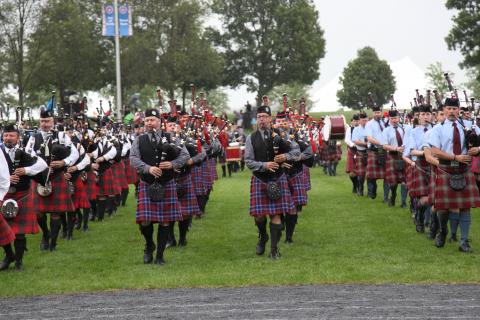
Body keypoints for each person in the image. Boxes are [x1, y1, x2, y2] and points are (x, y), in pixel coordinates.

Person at [130, 108, 190, 265]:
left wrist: (172, 164)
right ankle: (149, 245)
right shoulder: (139, 140)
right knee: (144, 221)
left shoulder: (170, 138)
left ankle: (160, 255)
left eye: (153, 120)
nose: (150, 123)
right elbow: (133, 159)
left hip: (166, 183)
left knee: (165, 221)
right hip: (146, 183)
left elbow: (185, 155)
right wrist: (147, 168)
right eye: (147, 120)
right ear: (144, 122)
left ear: (159, 122)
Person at [244, 103, 297, 259]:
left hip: (278, 178)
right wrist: (264, 165)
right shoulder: (251, 138)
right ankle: (263, 236)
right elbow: (248, 161)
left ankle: (274, 250)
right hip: (260, 179)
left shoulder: (281, 134)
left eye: (264, 117)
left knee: (275, 214)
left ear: (270, 118)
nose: (261, 120)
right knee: (259, 216)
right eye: (259, 117)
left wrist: (285, 156)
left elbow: (295, 151)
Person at [428, 97, 480, 252]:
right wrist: (455, 157)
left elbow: (477, 145)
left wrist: (477, 149)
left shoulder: (469, 127)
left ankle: (464, 242)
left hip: (464, 169)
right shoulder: (438, 129)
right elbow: (434, 151)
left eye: (454, 109)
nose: (451, 112)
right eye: (449, 109)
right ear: (444, 110)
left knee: (465, 207)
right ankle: (443, 231)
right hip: (446, 168)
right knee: (443, 208)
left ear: (459, 110)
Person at [1, 124, 48, 270]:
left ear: (18, 137)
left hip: (22, 194)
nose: (8, 138)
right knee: (2, 229)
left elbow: (42, 164)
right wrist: (6, 178)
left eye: (12, 135)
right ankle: (9, 255)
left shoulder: (26, 151)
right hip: (4, 193)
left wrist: (26, 170)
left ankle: (19, 262)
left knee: (20, 232)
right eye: (6, 135)